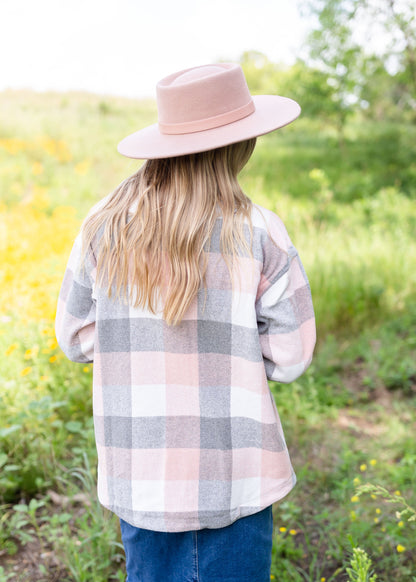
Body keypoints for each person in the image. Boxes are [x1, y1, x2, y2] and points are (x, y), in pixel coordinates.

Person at [55, 63, 316, 582]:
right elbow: (291, 355)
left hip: (142, 475)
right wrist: (236, 354)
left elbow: (76, 338)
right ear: (237, 146)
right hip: (235, 474)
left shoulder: (101, 226)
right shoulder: (261, 231)